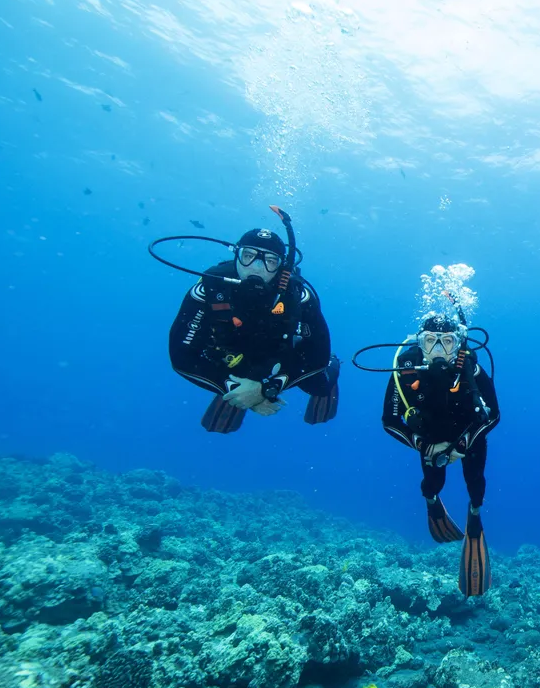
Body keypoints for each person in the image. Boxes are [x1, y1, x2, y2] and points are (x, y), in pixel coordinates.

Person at [169, 227, 340, 433]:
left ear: (281, 266)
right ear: (236, 255)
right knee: (235, 380)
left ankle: (335, 364)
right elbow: (182, 356)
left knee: (319, 386)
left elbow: (318, 356)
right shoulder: (210, 289)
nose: (257, 268)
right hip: (232, 355)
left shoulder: (297, 295)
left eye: (270, 261)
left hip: (283, 355)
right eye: (248, 256)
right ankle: (240, 387)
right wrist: (233, 388)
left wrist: (268, 388)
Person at [382, 313, 500, 597]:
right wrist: (422, 445)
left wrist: (463, 445)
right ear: (418, 342)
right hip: (430, 440)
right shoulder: (406, 369)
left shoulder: (470, 368)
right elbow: (390, 420)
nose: (438, 350)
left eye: (447, 342)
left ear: (458, 343)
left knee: (475, 482)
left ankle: (475, 512)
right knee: (433, 482)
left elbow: (493, 415)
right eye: (430, 341)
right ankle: (432, 501)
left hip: (469, 438)